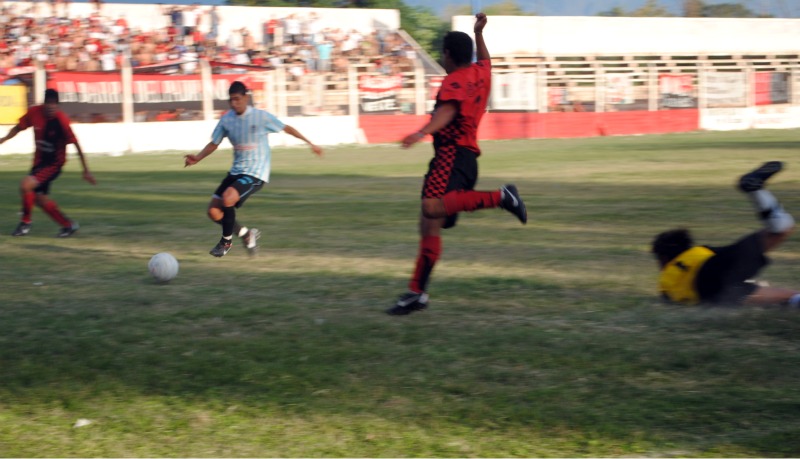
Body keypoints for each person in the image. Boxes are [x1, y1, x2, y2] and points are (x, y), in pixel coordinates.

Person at [387, 13, 528, 316]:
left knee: (432, 209)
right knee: (428, 223)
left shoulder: (454, 80)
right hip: (464, 158)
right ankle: (417, 293)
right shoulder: (480, 73)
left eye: (442, 53)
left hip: (451, 155)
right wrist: (479, 34)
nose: (442, 57)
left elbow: (448, 111)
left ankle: (503, 197)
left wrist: (421, 132)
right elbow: (486, 61)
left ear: (448, 54)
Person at [184, 81, 323, 257]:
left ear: (246, 98)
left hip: (256, 173)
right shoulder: (227, 120)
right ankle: (246, 234)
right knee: (213, 212)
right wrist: (198, 158)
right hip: (236, 171)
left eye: (237, 99)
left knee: (228, 198)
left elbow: (286, 128)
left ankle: (225, 243)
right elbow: (214, 143)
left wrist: (310, 143)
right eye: (231, 100)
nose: (234, 103)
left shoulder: (261, 117)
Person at [652, 161, 800, 307]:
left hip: (711, 294)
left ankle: (791, 300)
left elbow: (674, 299)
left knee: (786, 298)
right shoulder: (698, 252)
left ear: (663, 259)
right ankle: (756, 189)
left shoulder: (665, 285)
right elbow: (728, 259)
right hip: (715, 270)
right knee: (779, 230)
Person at [0, 88, 96, 237]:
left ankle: (25, 223)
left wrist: (86, 170)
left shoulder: (62, 121)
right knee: (39, 199)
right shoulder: (34, 112)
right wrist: (4, 139)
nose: (51, 106)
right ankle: (68, 225)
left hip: (53, 164)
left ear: (58, 105)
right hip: (39, 162)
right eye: (49, 103)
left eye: (54, 103)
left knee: (26, 185)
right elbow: (18, 128)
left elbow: (76, 144)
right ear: (44, 103)